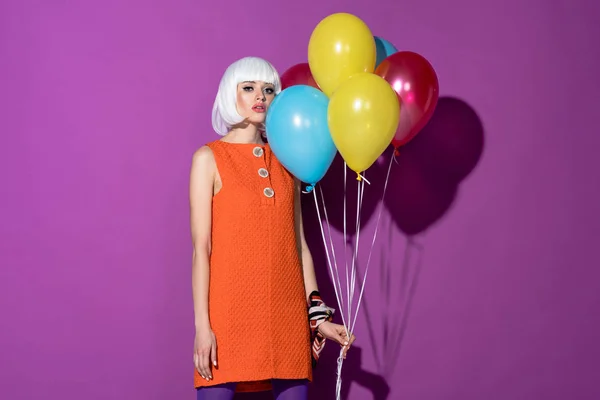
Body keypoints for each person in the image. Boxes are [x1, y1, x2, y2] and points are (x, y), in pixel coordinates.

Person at [188, 56, 356, 400]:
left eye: (268, 89)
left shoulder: (287, 161)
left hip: (287, 314)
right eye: (248, 87)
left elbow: (299, 247)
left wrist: (317, 319)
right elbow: (201, 249)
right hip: (228, 314)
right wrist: (203, 327)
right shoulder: (209, 158)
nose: (260, 96)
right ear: (228, 95)